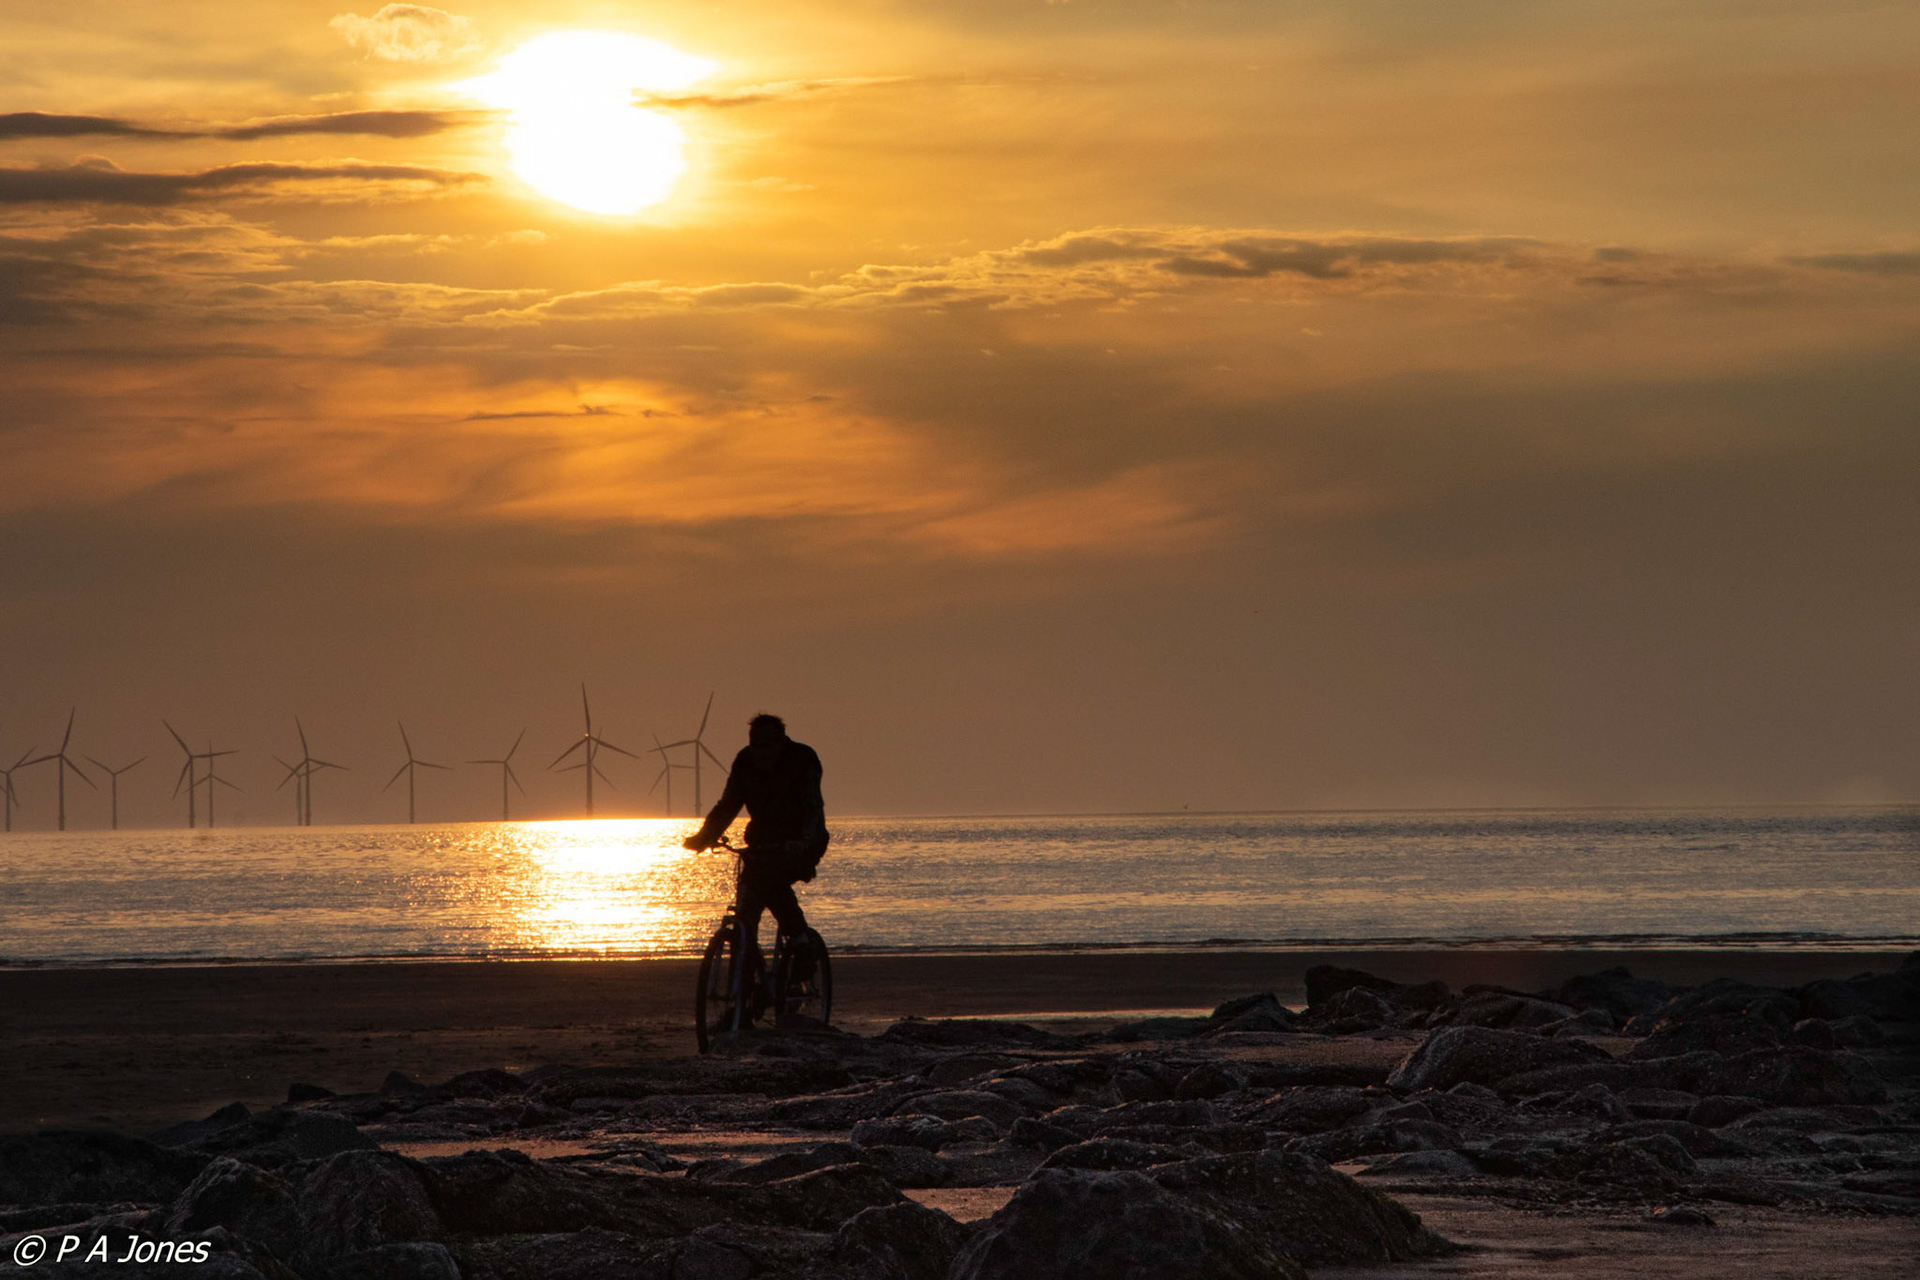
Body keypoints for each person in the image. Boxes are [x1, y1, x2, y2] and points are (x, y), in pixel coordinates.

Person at [682, 713, 829, 965]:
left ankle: (801, 940)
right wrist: (704, 837)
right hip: (761, 843)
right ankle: (748, 967)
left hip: (803, 841)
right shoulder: (744, 761)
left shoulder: (802, 759)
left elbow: (812, 806)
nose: (761, 753)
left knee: (771, 881)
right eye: (755, 745)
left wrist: (803, 840)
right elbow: (728, 804)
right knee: (749, 899)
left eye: (767, 745)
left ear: (781, 743)